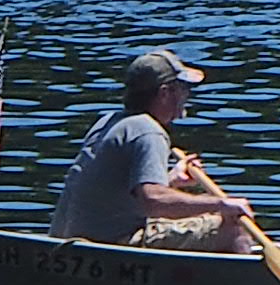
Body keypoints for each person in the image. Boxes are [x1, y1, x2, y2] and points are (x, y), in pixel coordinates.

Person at [53, 51, 264, 250]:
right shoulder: (148, 131)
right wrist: (221, 204)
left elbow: (121, 195)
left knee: (200, 214)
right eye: (183, 88)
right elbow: (153, 202)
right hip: (114, 241)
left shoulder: (109, 122)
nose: (186, 95)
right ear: (164, 92)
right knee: (235, 224)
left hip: (76, 238)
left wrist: (171, 180)